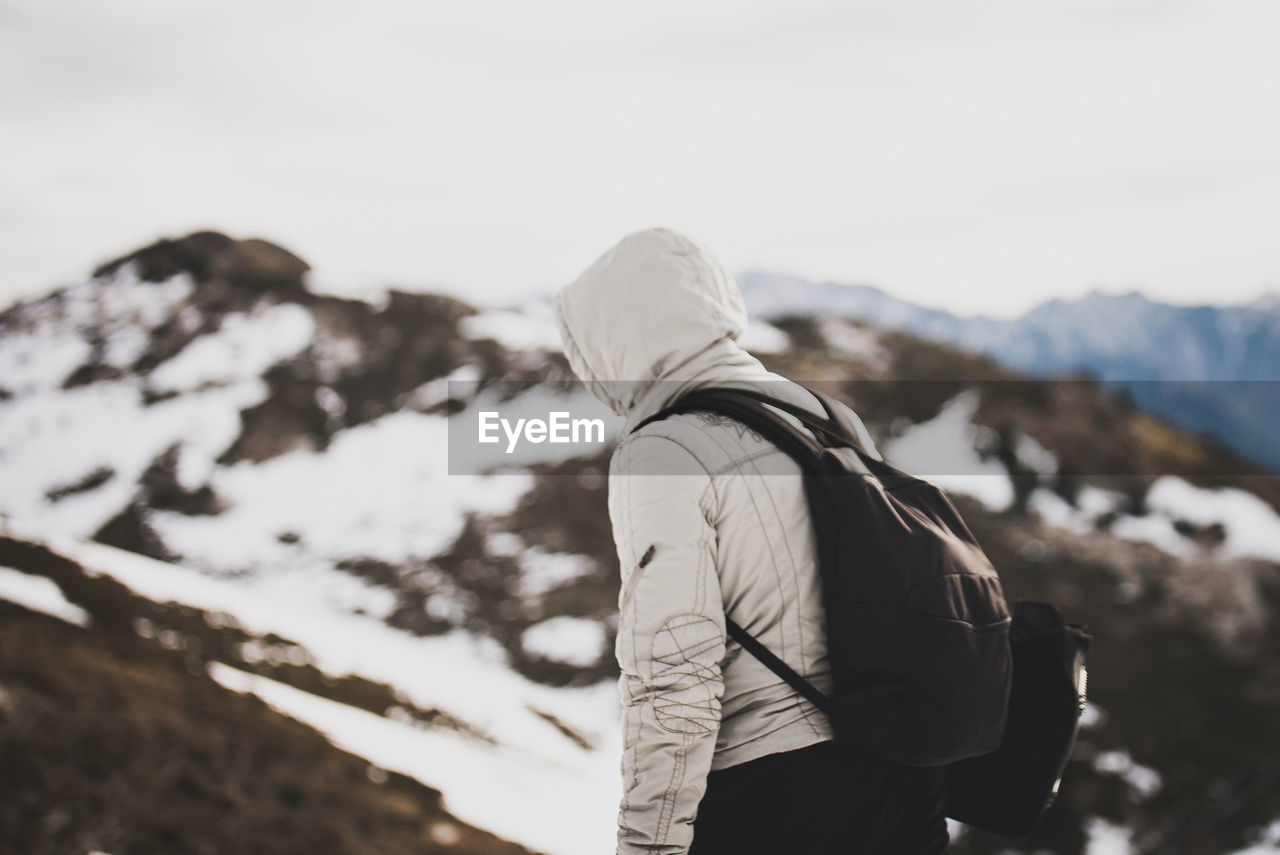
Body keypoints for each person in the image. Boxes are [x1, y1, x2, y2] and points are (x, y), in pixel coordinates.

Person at [553, 228, 950, 855]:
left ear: (605, 343)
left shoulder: (661, 452)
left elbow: (674, 672)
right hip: (899, 773)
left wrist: (647, 846)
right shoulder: (823, 415)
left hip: (777, 795)